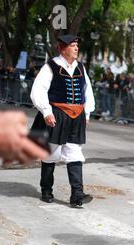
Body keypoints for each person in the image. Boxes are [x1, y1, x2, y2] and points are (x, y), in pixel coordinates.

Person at [30, 34, 95, 208]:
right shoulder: (51, 66)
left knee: (74, 152)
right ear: (62, 48)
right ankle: (46, 189)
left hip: (77, 116)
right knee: (52, 153)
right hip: (57, 114)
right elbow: (38, 90)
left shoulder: (81, 67)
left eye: (77, 45)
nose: (76, 48)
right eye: (72, 45)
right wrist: (46, 112)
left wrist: (86, 113)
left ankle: (77, 194)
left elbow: (87, 91)